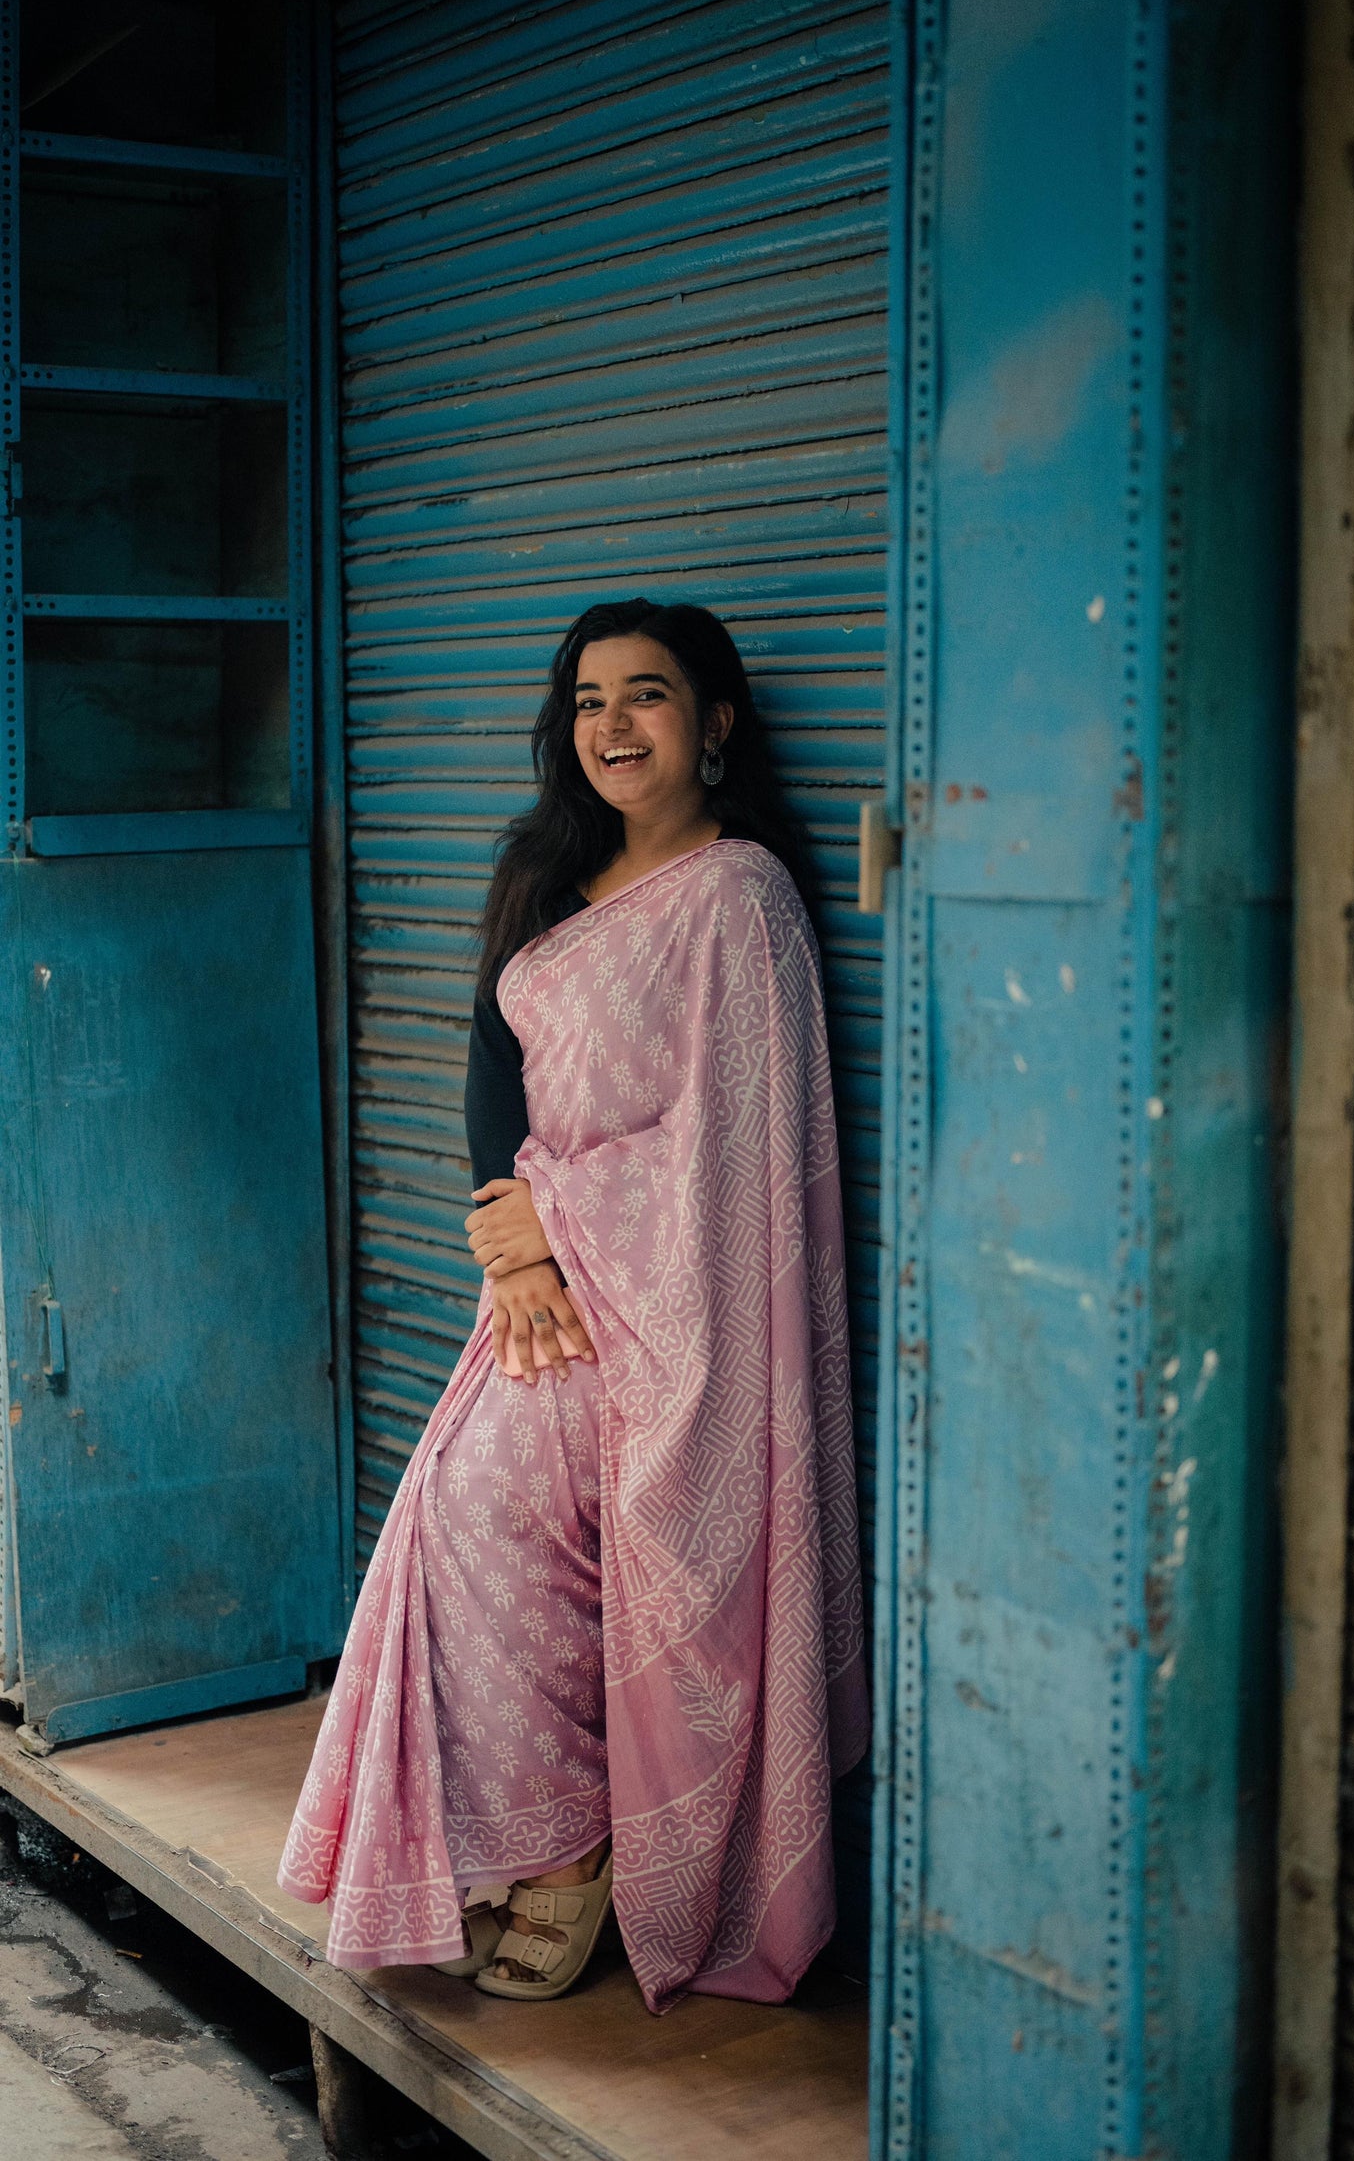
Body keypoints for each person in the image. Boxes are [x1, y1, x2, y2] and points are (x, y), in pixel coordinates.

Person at [279, 599, 868, 2013]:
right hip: (547, 1296)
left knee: (530, 1544)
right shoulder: (548, 880)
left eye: (648, 696)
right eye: (589, 700)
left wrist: (565, 1219)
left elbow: (740, 1148)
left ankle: (583, 1848)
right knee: (455, 1533)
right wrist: (518, 1245)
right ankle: (549, 1832)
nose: (613, 726)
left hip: (682, 1312)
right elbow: (496, 1071)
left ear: (714, 724)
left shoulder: (740, 896)